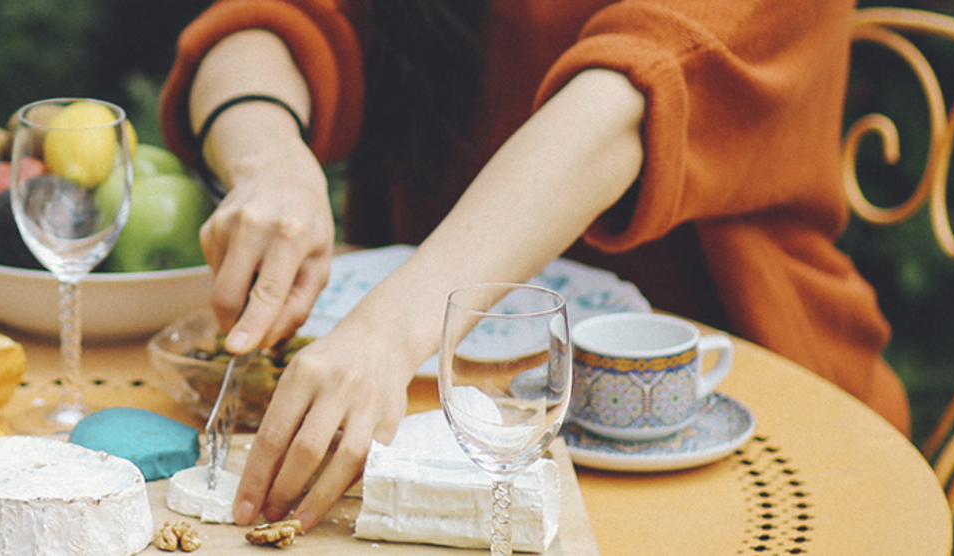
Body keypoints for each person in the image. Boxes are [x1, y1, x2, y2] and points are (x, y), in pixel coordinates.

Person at [159, 0, 909, 529]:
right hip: (434, 402)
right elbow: (271, 22)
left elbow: (626, 102)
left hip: (729, 409)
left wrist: (385, 331)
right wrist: (270, 161)